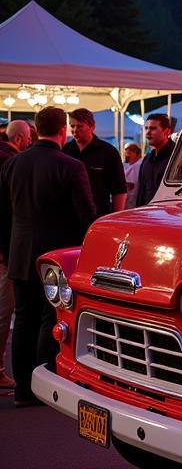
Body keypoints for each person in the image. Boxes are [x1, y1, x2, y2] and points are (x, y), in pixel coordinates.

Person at [0, 106, 95, 406]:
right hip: (54, 257)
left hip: (18, 251)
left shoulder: (13, 165)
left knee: (24, 319)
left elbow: (3, 212)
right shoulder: (70, 166)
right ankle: (42, 384)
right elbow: (87, 215)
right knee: (47, 317)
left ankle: (22, 390)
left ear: (35, 130)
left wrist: (7, 248)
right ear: (63, 130)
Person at [0, 120, 31, 390]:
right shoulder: (10, 162)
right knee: (6, 309)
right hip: (6, 248)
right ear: (20, 138)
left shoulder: (9, 161)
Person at [64, 107, 128, 216]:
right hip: (68, 216)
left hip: (98, 215)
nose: (74, 130)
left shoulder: (108, 152)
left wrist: (116, 217)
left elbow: (119, 190)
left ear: (92, 126)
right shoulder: (65, 151)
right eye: (72, 126)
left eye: (79, 126)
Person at [136, 113, 178, 206]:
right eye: (146, 128)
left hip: (169, 215)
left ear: (166, 131)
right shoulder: (147, 159)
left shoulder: (178, 158)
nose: (147, 132)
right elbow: (142, 192)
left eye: (153, 128)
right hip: (147, 214)